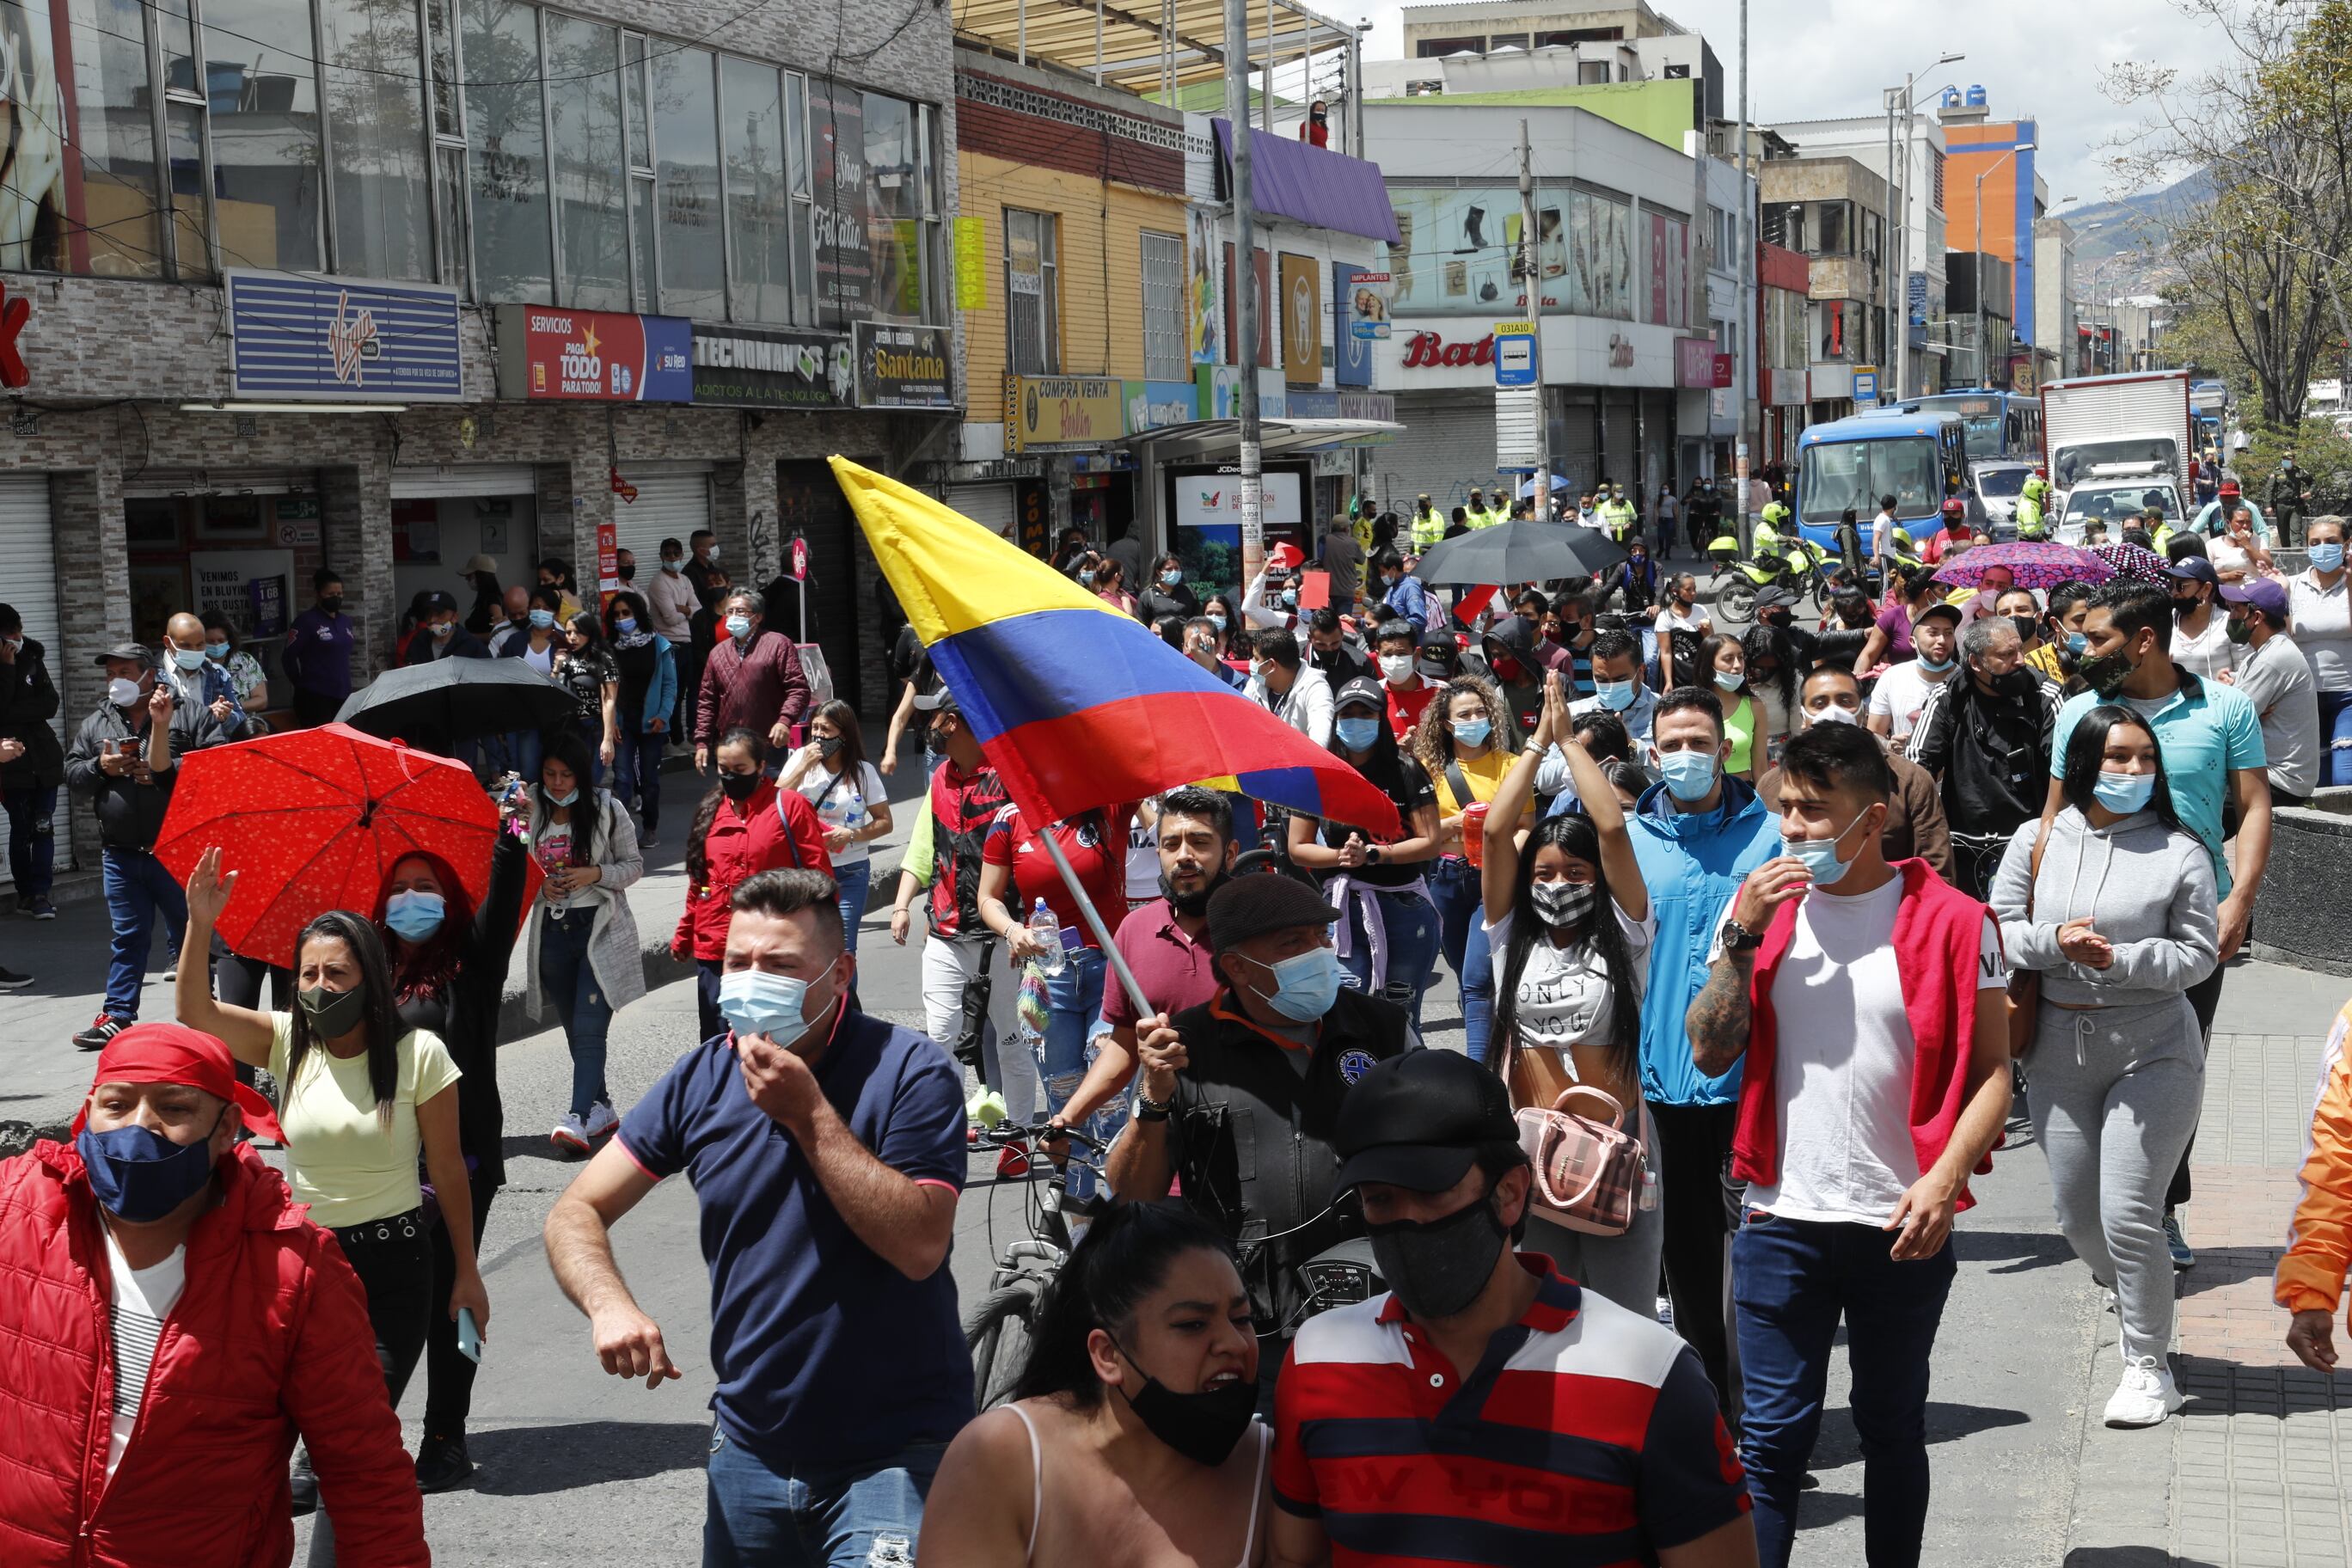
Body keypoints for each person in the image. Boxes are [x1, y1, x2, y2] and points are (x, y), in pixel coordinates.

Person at [546, 867, 971, 1567]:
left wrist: (808, 1116)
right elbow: (576, 1209)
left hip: (897, 1455)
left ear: (840, 976)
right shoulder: (702, 1076)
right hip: (751, 1448)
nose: (749, 982)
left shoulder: (910, 1071)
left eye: (778, 966)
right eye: (737, 963)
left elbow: (920, 1243)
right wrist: (608, 1305)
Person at [1684, 720, 2012, 1566]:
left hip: (1901, 1224)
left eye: (1814, 811)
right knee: (1770, 1439)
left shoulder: (1958, 922)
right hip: (1777, 1218)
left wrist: (1942, 1181)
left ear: (1874, 818)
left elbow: (1994, 1075)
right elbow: (1709, 1047)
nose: (1792, 828)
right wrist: (1739, 937)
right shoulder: (1760, 911)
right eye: (1786, 808)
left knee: (1891, 1427)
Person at [1271, 1048, 1756, 1568]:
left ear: (1509, 1193)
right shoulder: (1317, 1359)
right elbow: (1294, 1557)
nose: (1405, 1222)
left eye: (1430, 1193)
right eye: (1380, 1199)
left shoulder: (1650, 1374)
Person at [0, 1024, 428, 1565]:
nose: (139, 1128)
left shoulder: (295, 1271)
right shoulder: (15, 1211)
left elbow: (364, 1474)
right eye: (116, 1105)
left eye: (174, 1109)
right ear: (87, 1113)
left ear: (227, 1127)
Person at [176, 856, 487, 1541]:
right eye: (309, 973)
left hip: (395, 1274)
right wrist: (201, 927)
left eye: (336, 973)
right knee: (279, 1445)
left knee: (343, 1448)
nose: (319, 987)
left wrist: (466, 1273)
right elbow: (195, 1013)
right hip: (304, 1271)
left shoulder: (420, 1055)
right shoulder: (287, 1041)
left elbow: (450, 1169)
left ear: (369, 980)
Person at [1106, 873, 1416, 1407]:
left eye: (1321, 937)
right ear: (1237, 967)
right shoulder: (1184, 1048)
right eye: (1293, 944)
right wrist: (1155, 1101)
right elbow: (1135, 1192)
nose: (1318, 953)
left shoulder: (1382, 1030)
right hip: (1247, 1330)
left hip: (1377, 1311)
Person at [1992, 706, 2217, 1427]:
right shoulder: (2037, 839)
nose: (2132, 772)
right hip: (2057, 1046)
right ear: (2087, 762)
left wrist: (2121, 960)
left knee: (2129, 1215)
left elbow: (2199, 953)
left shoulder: (2180, 850)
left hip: (2154, 1048)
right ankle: (2132, 1288)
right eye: (2118, 758)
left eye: (2145, 760)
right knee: (2077, 1218)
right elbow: (1996, 930)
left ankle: (2149, 1365)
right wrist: (2056, 942)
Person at [2048, 579, 2271, 1272]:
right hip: (2087, 925)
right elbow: (2053, 817)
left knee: (2178, 1063)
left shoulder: (2225, 708)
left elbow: (2256, 805)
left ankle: (2158, 1209)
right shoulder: (2081, 713)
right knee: (2086, 1064)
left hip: (2193, 928)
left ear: (2145, 639)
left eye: (2099, 638)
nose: (2085, 650)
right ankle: (2102, 1208)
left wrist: (2238, 902)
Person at [925, 1201, 1271, 1565]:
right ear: (1108, 1354)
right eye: (1192, 1324)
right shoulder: (1001, 1460)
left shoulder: (1273, 1470)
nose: (1235, 1343)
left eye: (1242, 1317)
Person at [1469, 673, 1663, 1308]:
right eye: (1545, 874)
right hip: (1532, 1156)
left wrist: (1570, 746)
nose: (1558, 885)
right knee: (1540, 1323)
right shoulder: (1509, 940)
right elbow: (1497, 835)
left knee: (1622, 1321)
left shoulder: (1628, 937)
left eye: (1574, 873)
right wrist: (1533, 747)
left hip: (1617, 1155)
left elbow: (1612, 831)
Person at [1620, 684, 1779, 1410]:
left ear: (1726, 746)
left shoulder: (1772, 836)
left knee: (1757, 1257)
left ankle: (1767, 1404)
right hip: (1662, 1086)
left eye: (1699, 741)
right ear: (1652, 754)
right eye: (1672, 744)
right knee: (1683, 1257)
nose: (1686, 755)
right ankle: (1714, 1405)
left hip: (1758, 1079)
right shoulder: (1628, 844)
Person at [365, 812, 530, 1493]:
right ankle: (346, 1439)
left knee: (449, 1299)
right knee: (368, 1309)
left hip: (457, 1163)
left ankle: (445, 1437)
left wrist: (511, 832)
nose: (411, 899)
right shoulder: (364, 967)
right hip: (378, 1165)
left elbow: (508, 889)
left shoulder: (471, 963)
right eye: (398, 888)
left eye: (425, 885)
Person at [64, 644, 232, 1051]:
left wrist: (163, 771)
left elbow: (216, 765)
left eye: (124, 671)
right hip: (120, 852)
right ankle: (117, 1015)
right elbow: (71, 775)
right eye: (110, 673)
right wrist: (99, 769)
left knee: (191, 933)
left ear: (150, 675)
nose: (115, 680)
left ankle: (203, 1010)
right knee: (128, 936)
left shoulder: (189, 712)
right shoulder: (97, 721)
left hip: (176, 851)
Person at [977, 791, 1133, 1200]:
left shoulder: (1109, 804)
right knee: (1065, 1100)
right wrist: (1013, 931)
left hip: (1110, 969)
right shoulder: (1010, 820)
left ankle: (1123, 1206)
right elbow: (988, 899)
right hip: (1047, 979)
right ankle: (1080, 1213)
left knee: (1110, 1094)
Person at [891, 686, 1027, 1130]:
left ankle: (1020, 1139)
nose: (927, 728)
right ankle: (943, 1141)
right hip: (946, 934)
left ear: (952, 722)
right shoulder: (939, 779)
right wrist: (901, 905)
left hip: (1004, 936)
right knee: (940, 1040)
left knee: (1011, 1042)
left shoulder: (1011, 779)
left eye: (933, 719)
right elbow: (925, 848)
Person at [1286, 677, 1443, 1029]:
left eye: (1366, 713)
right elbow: (1297, 848)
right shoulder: (1320, 773)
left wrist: (1374, 854)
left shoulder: (1406, 770)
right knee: (1345, 1011)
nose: (1356, 721)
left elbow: (1430, 841)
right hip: (1340, 911)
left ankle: (1404, 1080)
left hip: (1403, 907)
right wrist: (1343, 857)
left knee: (1400, 1015)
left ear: (1380, 719)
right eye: (1348, 714)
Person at [524, 731, 647, 1155]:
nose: (557, 783)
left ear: (582, 776)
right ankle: (603, 1107)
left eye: (566, 775)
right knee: (576, 1029)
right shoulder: (529, 809)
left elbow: (633, 867)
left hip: (599, 928)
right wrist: (541, 890)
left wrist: (594, 874)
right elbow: (514, 874)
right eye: (550, 774)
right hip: (553, 932)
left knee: (591, 1029)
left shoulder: (607, 809)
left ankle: (576, 1118)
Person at [679, 726, 835, 1041]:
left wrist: (826, 939)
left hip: (771, 947)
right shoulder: (711, 811)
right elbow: (700, 879)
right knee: (718, 1042)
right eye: (724, 770)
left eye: (740, 770)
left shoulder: (789, 806)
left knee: (770, 1040)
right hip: (716, 946)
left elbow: (820, 878)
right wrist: (684, 933)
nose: (731, 777)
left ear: (761, 767)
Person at [1904, 616, 2061, 899]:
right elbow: (1915, 768)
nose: (2020, 661)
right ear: (1976, 663)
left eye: (2020, 650)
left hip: (2034, 844)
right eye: (2006, 655)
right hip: (1964, 845)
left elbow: (2064, 770)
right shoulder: (1947, 697)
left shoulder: (2045, 695)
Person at [1411, 676, 1524, 1063]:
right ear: (1446, 724)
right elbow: (1417, 833)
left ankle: (1480, 1072)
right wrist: (1460, 822)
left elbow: (1526, 827)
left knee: (1477, 978)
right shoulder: (1427, 769)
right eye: (1465, 714)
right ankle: (1495, 1043)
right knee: (1465, 974)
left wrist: (1501, 850)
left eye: (1480, 712)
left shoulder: (1511, 766)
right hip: (1444, 880)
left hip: (1493, 877)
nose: (1475, 719)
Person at [1759, 665, 1952, 880]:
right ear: (1803, 715)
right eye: (1820, 704)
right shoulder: (1772, 786)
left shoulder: (1910, 781)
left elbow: (1936, 871)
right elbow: (1763, 861)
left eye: (1845, 701)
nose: (1833, 712)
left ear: (1863, 710)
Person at [2221, 578, 2321, 805]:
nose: (2230, 615)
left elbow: (2228, 721)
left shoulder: (2273, 658)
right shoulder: (2260, 655)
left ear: (2256, 617)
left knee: (2193, 796)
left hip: (2280, 781)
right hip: (2267, 773)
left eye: (2236, 609)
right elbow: (2239, 710)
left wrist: (2243, 712)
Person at [695, 588, 813, 775]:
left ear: (757, 617)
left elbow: (798, 689)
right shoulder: (717, 653)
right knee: (735, 797)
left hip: (768, 742)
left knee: (768, 796)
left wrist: (784, 721)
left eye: (740, 611)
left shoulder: (777, 644)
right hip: (731, 745)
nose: (733, 616)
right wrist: (702, 741)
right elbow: (707, 702)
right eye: (730, 611)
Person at [1530, 631, 1654, 798]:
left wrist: (1632, 747)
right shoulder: (1573, 713)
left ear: (1640, 671)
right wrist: (1581, 752)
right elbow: (1544, 781)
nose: (1610, 687)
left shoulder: (1664, 713)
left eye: (1620, 680)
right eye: (1602, 680)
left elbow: (1673, 777)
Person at [0, 601, 64, 921]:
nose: (17, 638)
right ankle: (26, 893)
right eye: (9, 634)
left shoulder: (34, 658)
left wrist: (15, 711)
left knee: (44, 826)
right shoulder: (10, 665)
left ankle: (41, 894)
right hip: (12, 765)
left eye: (18, 630)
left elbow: (50, 704)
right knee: (21, 830)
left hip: (44, 759)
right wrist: (7, 670)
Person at [603, 590, 677, 844]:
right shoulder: (609, 649)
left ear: (638, 614)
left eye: (626, 613)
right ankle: (623, 834)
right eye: (616, 614)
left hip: (652, 723)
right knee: (622, 778)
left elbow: (669, 685)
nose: (621, 618)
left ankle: (650, 827)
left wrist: (663, 716)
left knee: (649, 779)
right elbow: (605, 691)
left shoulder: (660, 645)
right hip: (623, 723)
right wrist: (610, 724)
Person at [2291, 515, 2352, 787]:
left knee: (2344, 778)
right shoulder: (2291, 586)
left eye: (2331, 542)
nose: (2322, 548)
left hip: (2348, 697)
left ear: (2346, 545)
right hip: (2305, 698)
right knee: (2316, 781)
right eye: (2314, 542)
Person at [1866, 600, 1962, 748]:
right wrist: (1889, 745)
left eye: (1948, 633)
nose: (1942, 640)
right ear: (1912, 641)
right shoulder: (1892, 678)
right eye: (1933, 633)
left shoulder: (1966, 679)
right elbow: (1873, 734)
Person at [552, 609, 622, 786]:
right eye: (568, 632)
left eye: (578, 632)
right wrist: (557, 667)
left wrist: (607, 739)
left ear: (589, 633)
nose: (572, 637)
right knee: (571, 781)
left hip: (594, 727)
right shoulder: (566, 659)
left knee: (590, 782)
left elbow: (609, 700)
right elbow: (552, 693)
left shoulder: (604, 659)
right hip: (569, 728)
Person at [281, 568, 355, 728]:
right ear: (319, 594)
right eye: (330, 594)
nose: (336, 598)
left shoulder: (345, 621)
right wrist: (300, 684)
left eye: (339, 594)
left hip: (343, 693)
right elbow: (288, 658)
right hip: (315, 695)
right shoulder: (306, 621)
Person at [1246, 628, 1333, 749]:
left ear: (1271, 665)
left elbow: (1320, 743)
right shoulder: (1255, 683)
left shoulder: (1316, 688)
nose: (1251, 662)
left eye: (1256, 658)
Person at [1853, 565, 1944, 676]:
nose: (1947, 594)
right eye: (1942, 589)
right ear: (1928, 593)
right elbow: (1869, 654)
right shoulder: (1892, 617)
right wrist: (1857, 679)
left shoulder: (1945, 619)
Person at [2165, 552, 2236, 682]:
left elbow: (2245, 672)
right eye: (2171, 586)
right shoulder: (2165, 621)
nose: (2174, 592)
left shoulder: (2231, 622)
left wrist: (2230, 682)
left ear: (2206, 589)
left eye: (2181, 586)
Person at [1700, 633, 1761, 783]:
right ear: (1709, 664)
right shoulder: (1693, 707)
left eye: (1741, 658)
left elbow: (1760, 767)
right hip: (1705, 798)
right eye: (1728, 659)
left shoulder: (1755, 706)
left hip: (1744, 793)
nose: (1737, 666)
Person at [1369, 616, 1436, 742]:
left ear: (1416, 655)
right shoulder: (1371, 695)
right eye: (1388, 654)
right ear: (1378, 657)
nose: (1394, 661)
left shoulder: (1440, 692)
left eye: (1401, 654)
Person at [199, 609, 271, 723]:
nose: (216, 645)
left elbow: (262, 700)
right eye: (211, 641)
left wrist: (231, 708)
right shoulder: (196, 666)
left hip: (244, 728)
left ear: (229, 640)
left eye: (221, 640)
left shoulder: (245, 661)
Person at [397, 590, 488, 666]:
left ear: (454, 617)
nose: (432, 619)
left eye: (439, 614)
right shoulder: (419, 641)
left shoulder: (471, 645)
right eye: (429, 614)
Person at [2268, 454, 2312, 548]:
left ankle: (2296, 556)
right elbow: (2270, 490)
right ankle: (2287, 555)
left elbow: (2312, 483)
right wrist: (2268, 505)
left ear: (2294, 461)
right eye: (2284, 459)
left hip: (2296, 506)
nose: (2286, 461)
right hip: (2281, 506)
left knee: (2296, 533)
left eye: (2289, 459)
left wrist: (2309, 493)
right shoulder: (2277, 473)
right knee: (2283, 534)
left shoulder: (2299, 472)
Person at [536, 556, 585, 623]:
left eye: (546, 580)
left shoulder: (555, 596)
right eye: (540, 580)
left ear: (560, 578)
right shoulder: (575, 598)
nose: (541, 584)